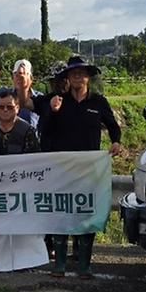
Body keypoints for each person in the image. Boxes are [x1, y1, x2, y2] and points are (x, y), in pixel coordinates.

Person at [44, 55, 121, 279]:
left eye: (82, 72)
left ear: (88, 76)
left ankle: (84, 265)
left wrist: (116, 141)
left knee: (86, 212)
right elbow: (46, 131)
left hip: (89, 168)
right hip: (63, 168)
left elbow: (113, 126)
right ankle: (59, 264)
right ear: (67, 77)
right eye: (73, 72)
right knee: (61, 213)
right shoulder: (58, 101)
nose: (78, 76)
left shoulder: (99, 102)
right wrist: (53, 112)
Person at [0, 91, 48, 272]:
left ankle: (22, 257)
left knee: (18, 223)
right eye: (1, 107)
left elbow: (36, 159)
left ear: (17, 108)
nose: (5, 110)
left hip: (19, 187)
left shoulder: (27, 130)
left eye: (9, 107)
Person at [0, 59, 42, 130]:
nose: (19, 77)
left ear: (31, 78)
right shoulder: (4, 94)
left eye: (24, 74)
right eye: (16, 74)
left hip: (31, 139)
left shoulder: (39, 97)